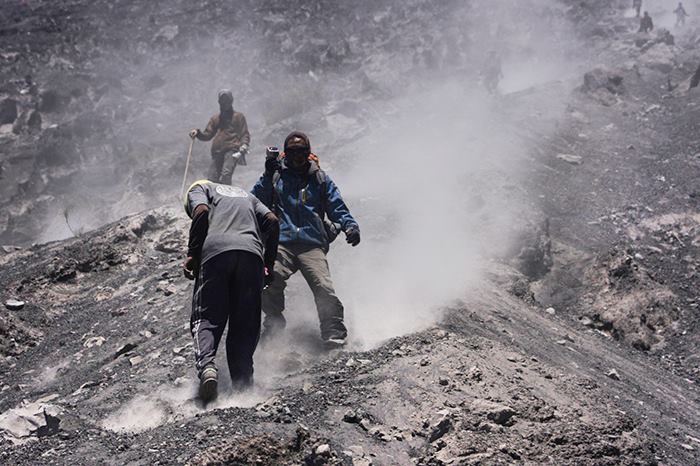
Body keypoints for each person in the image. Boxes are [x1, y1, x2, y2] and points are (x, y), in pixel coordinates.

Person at [252, 132, 360, 347]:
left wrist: (350, 225)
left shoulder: (319, 178)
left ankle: (333, 330)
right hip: (281, 242)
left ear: (308, 152)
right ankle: (273, 321)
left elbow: (336, 206)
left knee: (323, 287)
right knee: (267, 281)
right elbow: (255, 201)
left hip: (312, 243)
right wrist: (267, 174)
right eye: (292, 152)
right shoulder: (275, 177)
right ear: (285, 153)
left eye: (302, 152)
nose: (297, 157)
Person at [183, 179, 279, 402]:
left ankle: (207, 367)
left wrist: (192, 253)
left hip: (217, 253)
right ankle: (243, 387)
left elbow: (200, 212)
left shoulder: (199, 189)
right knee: (245, 321)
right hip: (251, 255)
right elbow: (272, 221)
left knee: (206, 316)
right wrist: (269, 264)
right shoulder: (246, 195)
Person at [189, 90, 250, 185]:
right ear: (219, 102)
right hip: (217, 152)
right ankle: (214, 199)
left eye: (227, 100)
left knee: (226, 175)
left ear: (231, 101)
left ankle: (225, 198)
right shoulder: (215, 119)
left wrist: (244, 144)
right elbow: (208, 135)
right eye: (222, 100)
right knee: (212, 179)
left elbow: (244, 133)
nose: (225, 102)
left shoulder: (238, 117)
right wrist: (198, 133)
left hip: (232, 150)